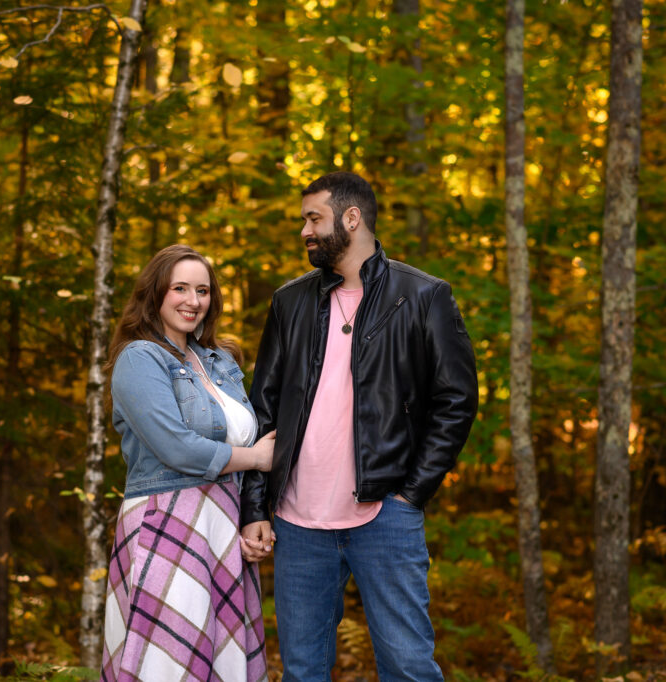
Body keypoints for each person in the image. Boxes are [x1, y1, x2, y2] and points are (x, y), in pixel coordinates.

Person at [240, 172, 478, 681]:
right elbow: (262, 409)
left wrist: (412, 493)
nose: (304, 230)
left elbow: (456, 400)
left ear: (352, 219)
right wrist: (255, 507)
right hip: (297, 523)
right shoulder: (290, 302)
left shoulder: (423, 296)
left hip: (385, 516)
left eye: (313, 219)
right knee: (303, 672)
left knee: (408, 668)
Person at [101, 244, 274, 682]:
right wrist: (255, 457)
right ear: (155, 293)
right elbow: (177, 448)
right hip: (168, 520)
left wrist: (252, 517)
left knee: (222, 659)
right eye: (180, 288)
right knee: (168, 662)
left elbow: (244, 434)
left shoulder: (220, 361)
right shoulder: (139, 358)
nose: (193, 301)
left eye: (202, 290)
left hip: (221, 522)